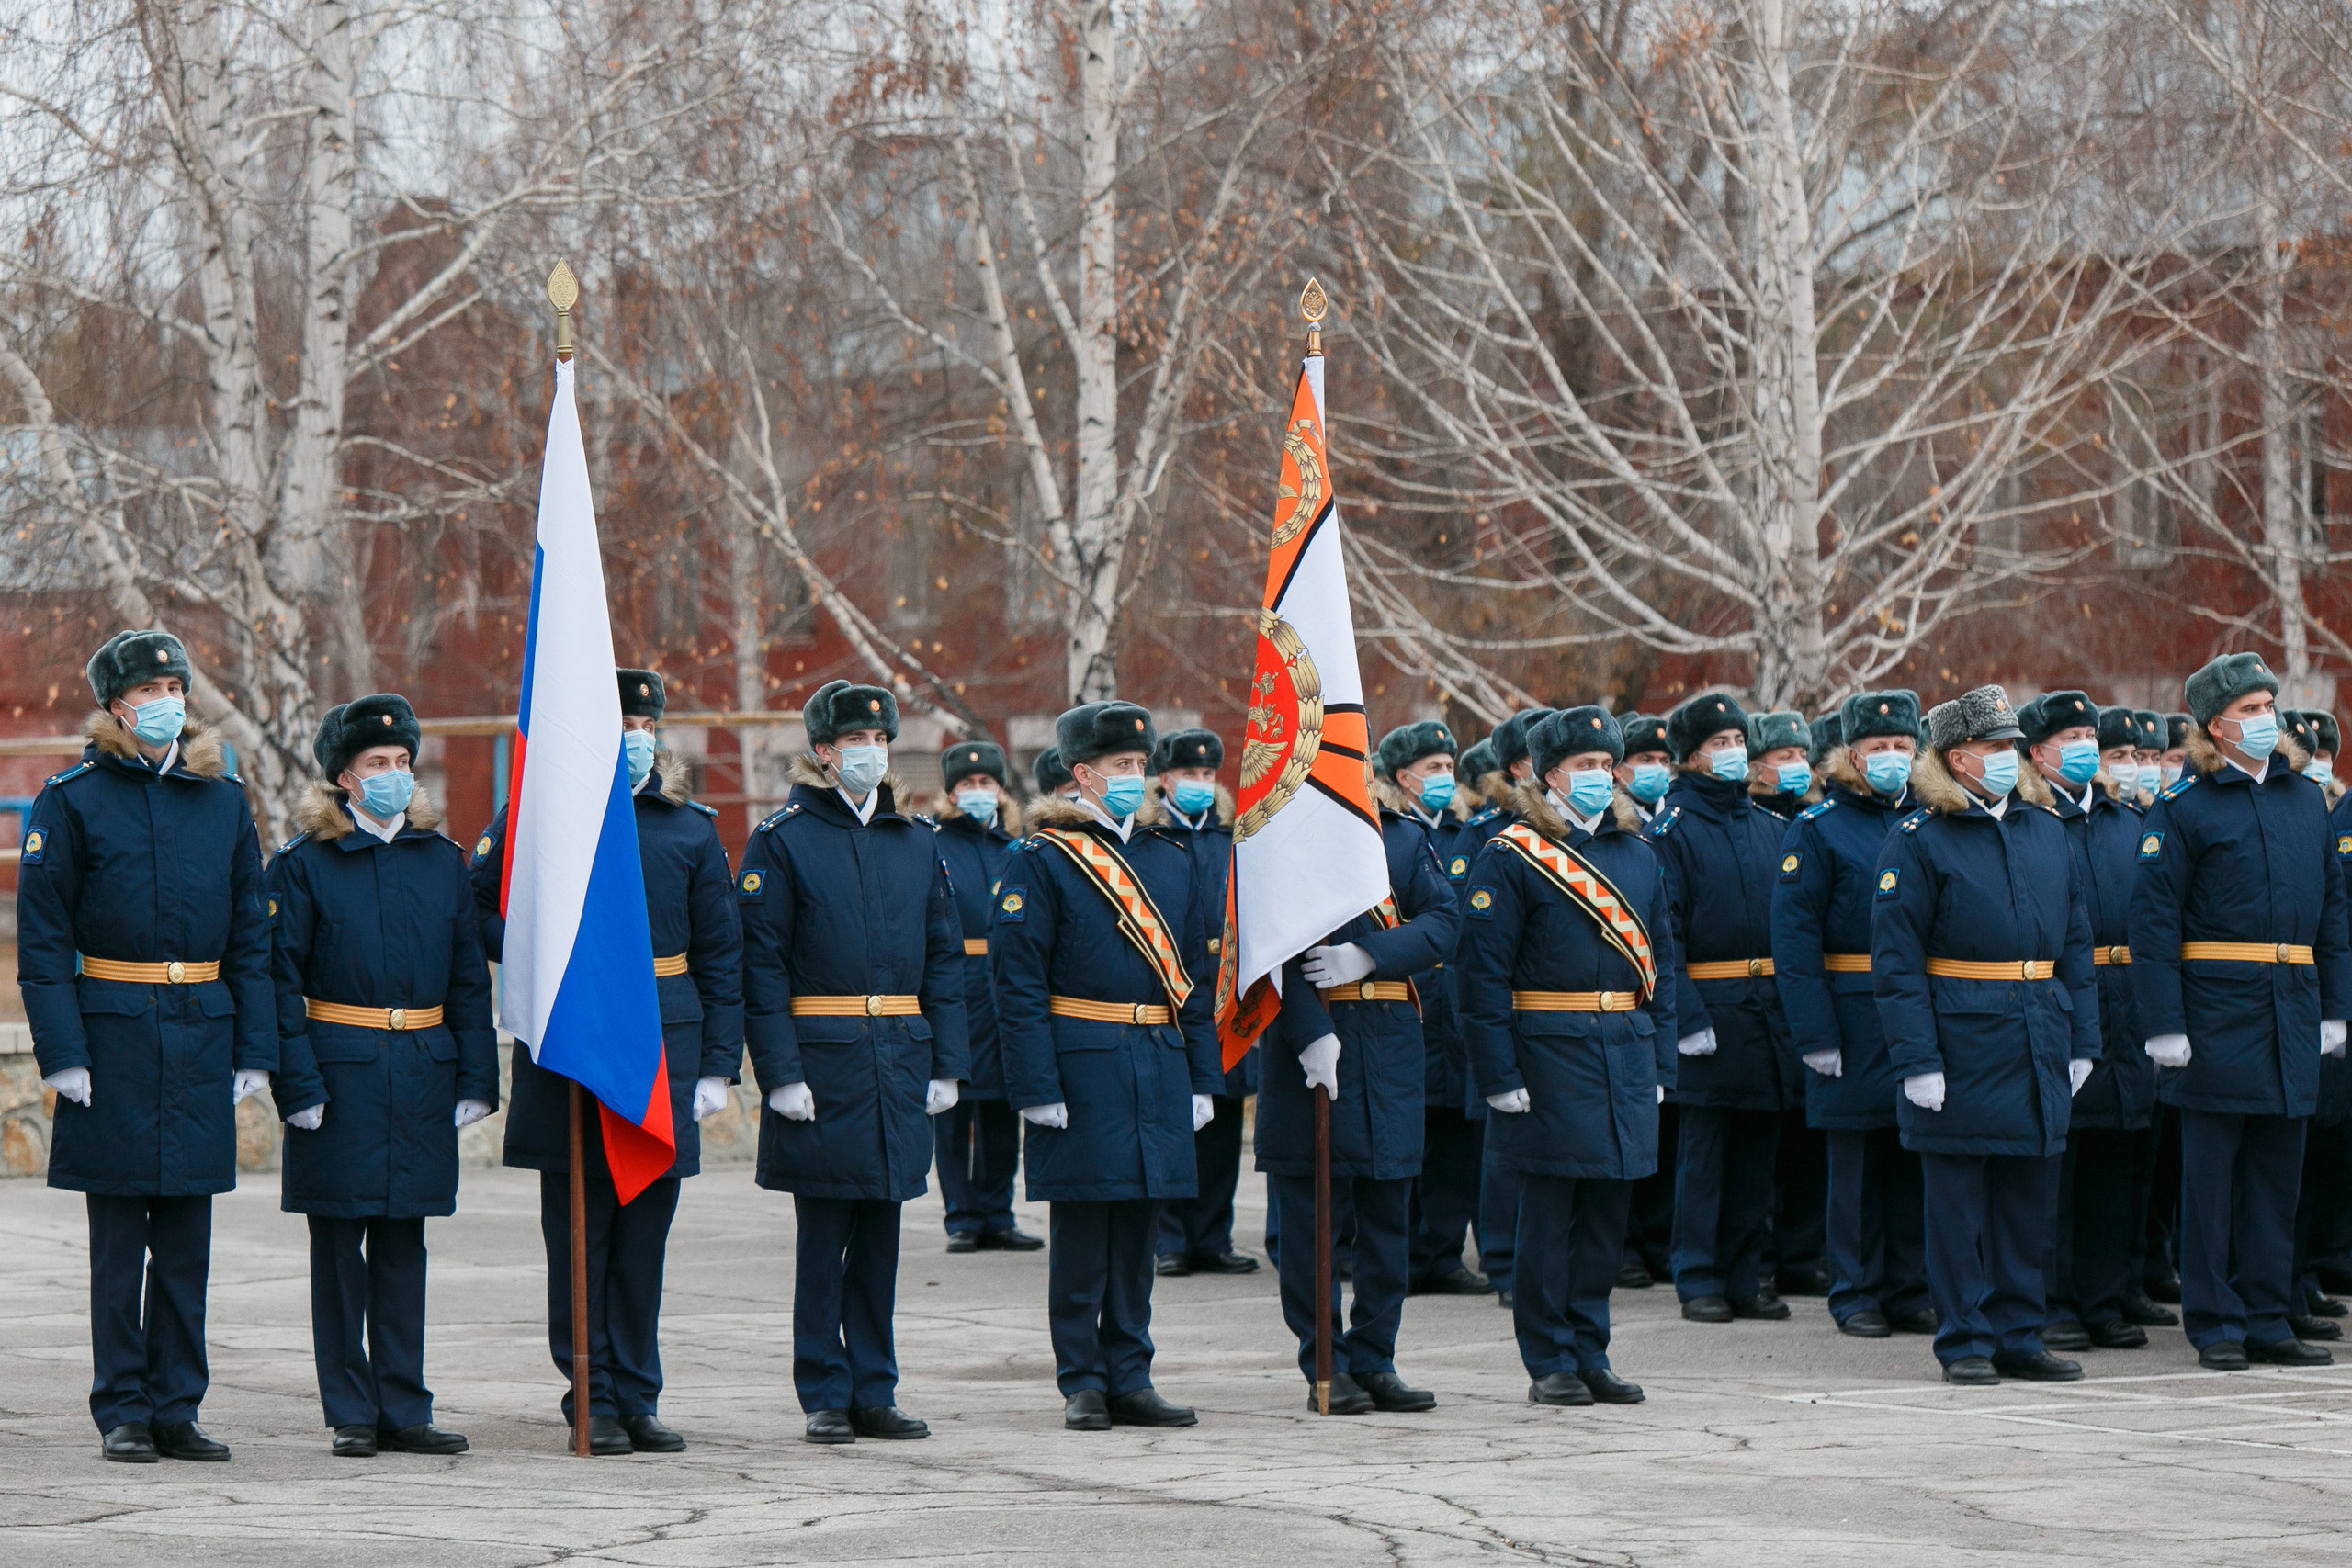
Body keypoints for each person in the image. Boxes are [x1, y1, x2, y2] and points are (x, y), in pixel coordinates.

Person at [469, 668, 744, 1454]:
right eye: (620, 721)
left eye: (644, 723)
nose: (636, 736)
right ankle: (588, 1393)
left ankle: (639, 1391)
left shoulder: (686, 827)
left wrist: (719, 1066)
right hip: (576, 1046)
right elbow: (481, 910)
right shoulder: (539, 818)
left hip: (664, 1050)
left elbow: (722, 955)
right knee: (581, 1234)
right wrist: (550, 960)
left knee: (644, 1238)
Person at [19, 629, 275, 1464]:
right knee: (119, 1241)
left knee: (189, 1243)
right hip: (114, 1036)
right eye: (149, 687)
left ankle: (177, 1406)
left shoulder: (224, 801)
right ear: (116, 705)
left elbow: (250, 937)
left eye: (176, 683)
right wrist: (62, 1052)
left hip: (201, 1031)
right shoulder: (74, 798)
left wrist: (253, 1047)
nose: (167, 698)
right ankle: (122, 1407)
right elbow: (45, 937)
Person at [736, 680, 970, 1442]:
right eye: (855, 743)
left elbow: (943, 958)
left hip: (899, 1058)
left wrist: (947, 1062)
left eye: (881, 741)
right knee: (824, 1238)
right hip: (825, 1062)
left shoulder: (916, 839)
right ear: (824, 753)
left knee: (882, 1234)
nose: (872, 754)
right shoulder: (784, 839)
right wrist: (781, 1073)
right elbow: (762, 968)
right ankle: (824, 1390)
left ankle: (876, 1387)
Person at [269, 694, 495, 1457]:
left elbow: (467, 975)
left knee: (405, 1242)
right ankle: (351, 1409)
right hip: (340, 1076)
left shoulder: (442, 861)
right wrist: (296, 1086)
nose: (395, 775)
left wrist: (474, 1075)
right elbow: (278, 981)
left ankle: (406, 1404)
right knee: (339, 1247)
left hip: (422, 1073)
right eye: (378, 764)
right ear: (344, 778)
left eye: (403, 762)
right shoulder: (305, 865)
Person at [993, 701, 1223, 1430]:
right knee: (1086, 1228)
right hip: (1081, 1062)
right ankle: (1082, 1379)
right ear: (1082, 775)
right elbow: (1018, 984)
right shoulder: (1043, 859)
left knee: (1139, 1227)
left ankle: (1131, 1372)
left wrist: (1202, 1075)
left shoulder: (1170, 858)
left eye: (1140, 765)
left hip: (1156, 1059)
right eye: (1122, 767)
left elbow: (1193, 980)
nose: (1138, 777)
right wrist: (1034, 1086)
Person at [2133, 654, 2352, 1371]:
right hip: (2216, 1011)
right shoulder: (2184, 807)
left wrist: (2333, 1007)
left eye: (2269, 705)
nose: (2267, 719)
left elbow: (2332, 911)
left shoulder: (2300, 800)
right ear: (2216, 726)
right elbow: (2155, 922)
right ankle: (2215, 1319)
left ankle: (2267, 1314)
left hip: (2289, 1006)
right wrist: (2164, 1022)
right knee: (2212, 1179)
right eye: (2251, 709)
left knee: (2275, 1176)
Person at [1876, 684, 2098, 1386]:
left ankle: (2019, 1332)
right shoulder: (1919, 838)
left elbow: (2079, 945)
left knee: (2025, 1200)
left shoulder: (2047, 830)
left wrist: (2083, 1040)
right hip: (1960, 1036)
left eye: (2011, 746)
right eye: (1993, 748)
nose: (2007, 759)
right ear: (1956, 757)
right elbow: (1896, 959)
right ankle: (1965, 1335)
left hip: (2036, 1030)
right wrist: (1916, 1058)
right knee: (1957, 1204)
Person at [1458, 706, 1679, 1407]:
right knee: (1549, 1217)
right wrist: (1499, 1075)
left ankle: (1591, 1347)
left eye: (1605, 765)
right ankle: (1547, 1356)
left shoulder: (1638, 855)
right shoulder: (1511, 854)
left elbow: (1663, 970)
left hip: (1625, 1052)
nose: (1598, 776)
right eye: (1583, 765)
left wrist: (1662, 1066)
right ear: (1549, 773)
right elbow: (1481, 976)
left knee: (1606, 1214)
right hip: (1548, 1056)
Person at [1259, 749, 1461, 1413]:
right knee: (1316, 1220)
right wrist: (1311, 1033)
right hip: (1313, 1045)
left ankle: (1377, 1358)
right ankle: (1325, 1360)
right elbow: (1269, 951)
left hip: (1393, 1046)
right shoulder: (1282, 844)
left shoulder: (1402, 838)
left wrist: (1371, 952)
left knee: (1387, 1219)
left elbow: (1443, 923)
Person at [1773, 691, 1935, 1339]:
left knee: (1910, 1157)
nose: (1893, 759)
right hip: (1848, 1014)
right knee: (1856, 1163)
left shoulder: (1927, 821)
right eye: (1879, 749)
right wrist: (1814, 1032)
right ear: (1850, 755)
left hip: (1913, 1015)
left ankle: (1908, 1286)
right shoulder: (1817, 830)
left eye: (1903, 747)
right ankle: (1857, 1289)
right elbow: (1795, 938)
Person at [1647, 694, 1796, 1325]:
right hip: (1711, 1005)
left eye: (1739, 739)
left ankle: (1743, 1272)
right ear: (1691, 757)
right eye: (1720, 743)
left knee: (1757, 1153)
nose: (1735, 753)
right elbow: (1665, 934)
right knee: (1706, 1155)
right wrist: (1687, 1015)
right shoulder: (1674, 831)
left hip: (1763, 1009)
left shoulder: (1768, 826)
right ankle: (1699, 1273)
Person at [2018, 694, 2160, 1355]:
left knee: (2114, 1155)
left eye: (2087, 735)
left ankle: (2104, 1296)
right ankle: (2053, 1299)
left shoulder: (2120, 819)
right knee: (2060, 1166)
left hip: (2123, 997)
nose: (2082, 746)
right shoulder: (2028, 821)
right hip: (2063, 997)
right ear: (2037, 751)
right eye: (2068, 736)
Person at [1379, 723, 1491, 1296]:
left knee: (1454, 1133)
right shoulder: (1381, 834)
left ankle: (1443, 1252)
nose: (1447, 779)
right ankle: (1397, 1252)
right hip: (1409, 997)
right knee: (1408, 1133)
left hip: (1456, 1005)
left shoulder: (1466, 833)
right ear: (1404, 777)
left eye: (1450, 766)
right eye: (1435, 768)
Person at [1149, 728, 1258, 1278]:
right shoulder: (1149, 838)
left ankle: (1213, 1235)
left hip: (1225, 994)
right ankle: (1169, 1237)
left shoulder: (1231, 839)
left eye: (1207, 775)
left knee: (1223, 1122)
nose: (1199, 784)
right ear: (1163, 779)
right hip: (1173, 994)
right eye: (1188, 775)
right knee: (1175, 1119)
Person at [929, 739, 1043, 1256]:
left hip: (1003, 989)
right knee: (953, 1114)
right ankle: (963, 1216)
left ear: (1001, 792)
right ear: (951, 793)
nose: (978, 792)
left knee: (1000, 1110)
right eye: (968, 785)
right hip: (955, 987)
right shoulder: (932, 845)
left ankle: (999, 1212)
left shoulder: (1016, 850)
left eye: (987, 784)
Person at [1464, 706, 1554, 1309]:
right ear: (1521, 766)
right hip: (1506, 1012)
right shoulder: (1484, 838)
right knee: (1503, 1151)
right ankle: (1502, 1258)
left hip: (1559, 1021)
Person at [1745, 708, 1830, 1296]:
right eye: (1783, 757)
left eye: (1803, 756)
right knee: (1761, 1145)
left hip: (1808, 997)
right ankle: (1762, 1253)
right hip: (1755, 998)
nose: (1796, 767)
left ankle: (1802, 1253)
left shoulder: (1815, 822)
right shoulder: (1752, 821)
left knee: (1805, 1140)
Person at [1612, 713, 1678, 1289]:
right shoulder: (1515, 849)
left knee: (1648, 1149)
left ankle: (1653, 1242)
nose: (1656, 771)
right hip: (1565, 1030)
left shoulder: (1640, 846)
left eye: (1664, 761)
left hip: (1632, 1026)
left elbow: (1661, 955)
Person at [1614, 714, 1673, 831]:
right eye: (1646, 760)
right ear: (1618, 769)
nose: (1658, 767)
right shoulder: (1610, 819)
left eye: (1664, 761)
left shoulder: (1675, 810)